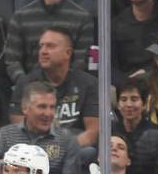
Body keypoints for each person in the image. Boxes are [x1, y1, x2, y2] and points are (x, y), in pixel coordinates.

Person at [8, 27, 100, 166]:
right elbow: (18, 129)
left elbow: (93, 132)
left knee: (88, 152)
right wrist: (45, 151)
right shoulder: (25, 84)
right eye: (41, 46)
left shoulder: (88, 83)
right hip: (34, 152)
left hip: (75, 150)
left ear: (68, 53)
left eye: (50, 46)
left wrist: (60, 150)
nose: (43, 51)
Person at [5, 0, 95, 84]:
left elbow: (81, 62)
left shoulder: (83, 18)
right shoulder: (21, 17)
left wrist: (62, 86)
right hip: (30, 89)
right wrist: (26, 85)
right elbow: (12, 61)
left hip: (69, 89)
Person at [0, 81, 82, 174]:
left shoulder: (67, 140)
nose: (48, 113)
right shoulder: (3, 136)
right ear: (25, 108)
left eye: (52, 107)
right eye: (42, 106)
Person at [113, 77, 158, 174]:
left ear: (144, 104)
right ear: (118, 104)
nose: (129, 105)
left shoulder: (157, 134)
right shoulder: (109, 131)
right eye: (123, 99)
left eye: (134, 99)